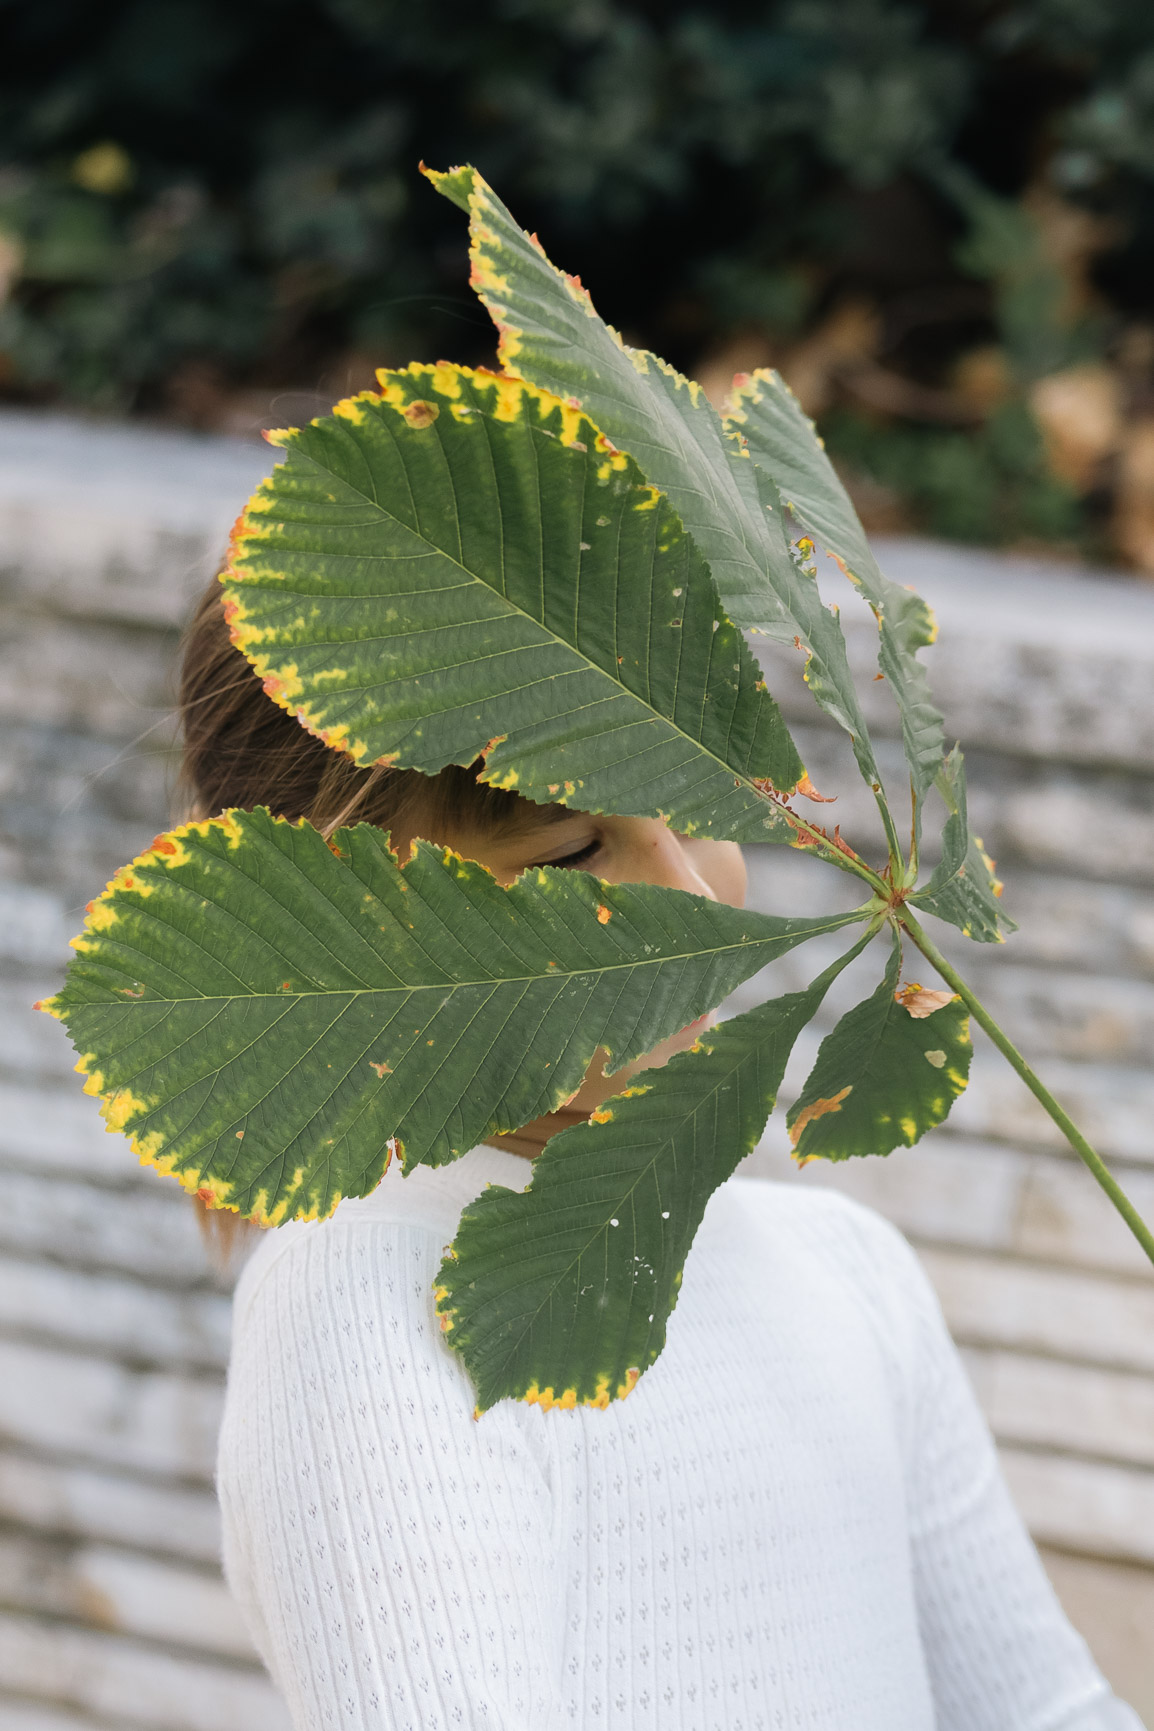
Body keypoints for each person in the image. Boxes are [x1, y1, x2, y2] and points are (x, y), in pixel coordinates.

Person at [182, 580, 1144, 1730]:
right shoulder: (364, 1309)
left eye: (690, 812)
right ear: (324, 931)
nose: (689, 895)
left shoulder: (849, 1268)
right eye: (573, 852)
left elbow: (1041, 1710)